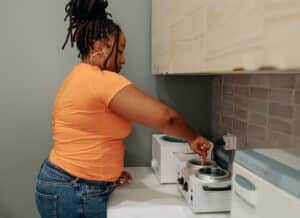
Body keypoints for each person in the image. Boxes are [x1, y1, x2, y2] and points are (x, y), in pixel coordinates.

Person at [34, 0, 211, 217]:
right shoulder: (99, 80)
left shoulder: (81, 77)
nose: (123, 59)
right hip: (74, 188)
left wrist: (108, 176)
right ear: (99, 48)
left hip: (71, 184)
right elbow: (167, 119)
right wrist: (193, 137)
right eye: (119, 50)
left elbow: (91, 135)